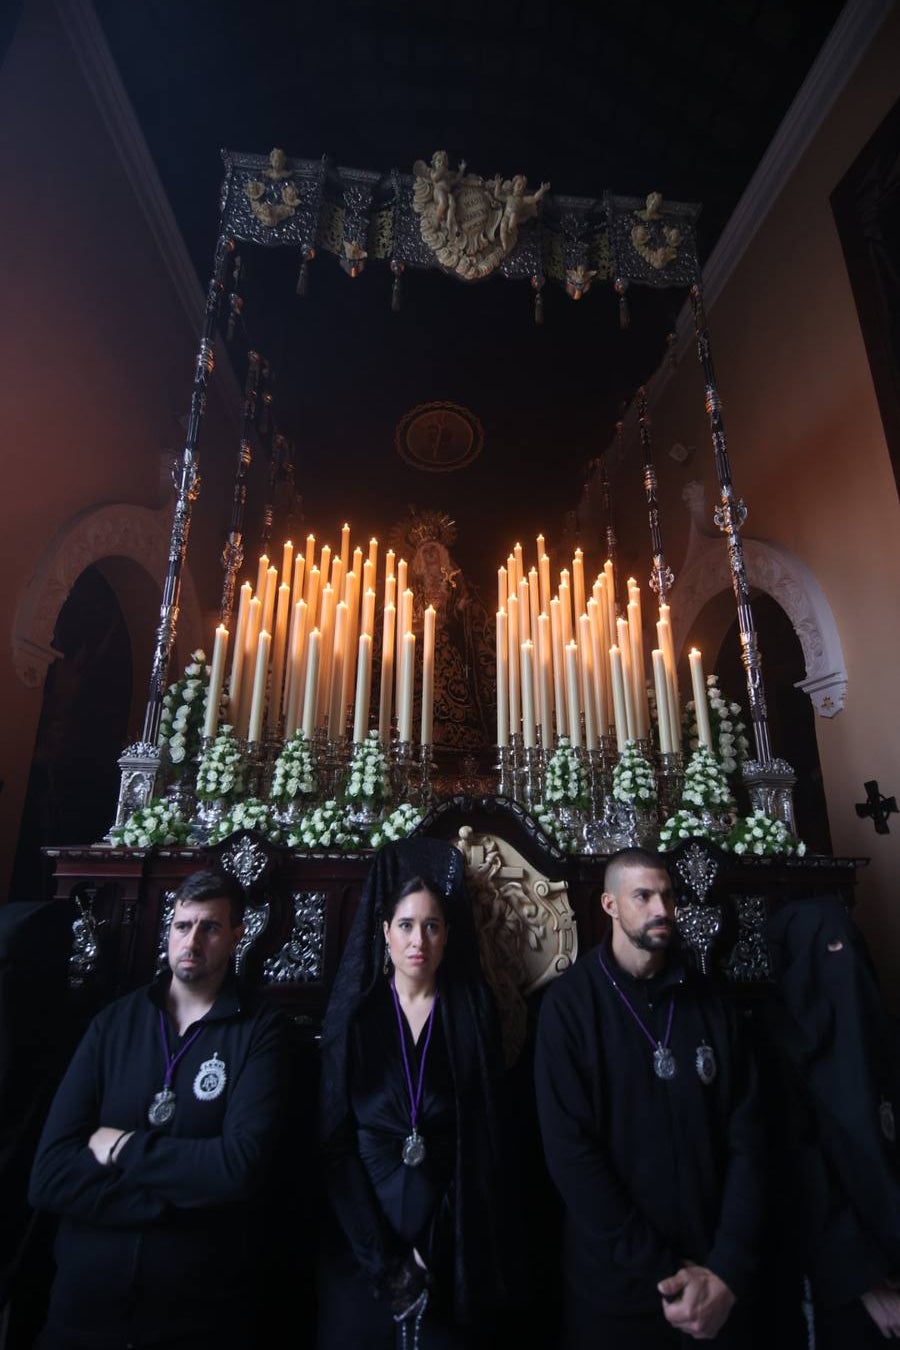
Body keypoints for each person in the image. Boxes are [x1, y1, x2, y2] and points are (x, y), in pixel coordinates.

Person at [29, 868, 285, 1350]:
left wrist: (122, 1147)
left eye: (209, 927)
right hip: (83, 1313)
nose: (192, 942)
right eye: (182, 926)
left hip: (194, 1316)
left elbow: (238, 1167)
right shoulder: (113, 1024)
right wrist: (180, 1200)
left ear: (236, 935)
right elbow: (49, 1175)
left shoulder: (259, 1030)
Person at [535, 847, 762, 1349]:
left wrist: (726, 1269)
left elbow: (749, 1138)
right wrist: (662, 1269)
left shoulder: (710, 1003)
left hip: (716, 1280)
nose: (662, 909)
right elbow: (573, 1157)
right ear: (610, 905)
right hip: (618, 1290)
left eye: (667, 895)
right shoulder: (569, 1007)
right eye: (644, 896)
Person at [317, 837, 506, 1349]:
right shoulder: (358, 1021)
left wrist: (427, 1253)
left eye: (431, 925)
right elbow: (335, 1143)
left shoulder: (472, 1016)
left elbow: (483, 1140)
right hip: (363, 1247)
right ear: (385, 933)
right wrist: (384, 1261)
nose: (418, 939)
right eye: (405, 925)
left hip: (450, 1245)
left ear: (448, 937)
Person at [763, 895, 900, 1346]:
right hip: (853, 1284)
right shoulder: (782, 1056)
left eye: (847, 948)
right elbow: (804, 1177)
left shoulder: (879, 1035)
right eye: (828, 951)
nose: (843, 966)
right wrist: (866, 1283)